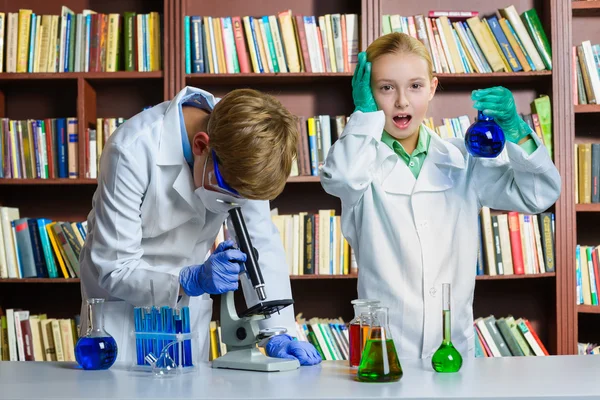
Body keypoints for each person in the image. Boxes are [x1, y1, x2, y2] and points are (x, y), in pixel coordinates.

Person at [320, 33, 561, 359]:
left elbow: (539, 195)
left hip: (452, 351)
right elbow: (342, 178)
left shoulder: (464, 160)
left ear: (433, 88)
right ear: (368, 93)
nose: (402, 101)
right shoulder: (360, 164)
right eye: (386, 88)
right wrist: (364, 116)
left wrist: (517, 130)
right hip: (385, 353)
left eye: (415, 86)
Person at [78, 86, 321, 366]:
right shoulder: (132, 148)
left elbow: (260, 243)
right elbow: (115, 268)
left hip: (187, 314)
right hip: (121, 312)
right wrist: (188, 280)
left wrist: (277, 331)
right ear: (201, 146)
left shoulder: (246, 147)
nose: (235, 203)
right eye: (229, 192)